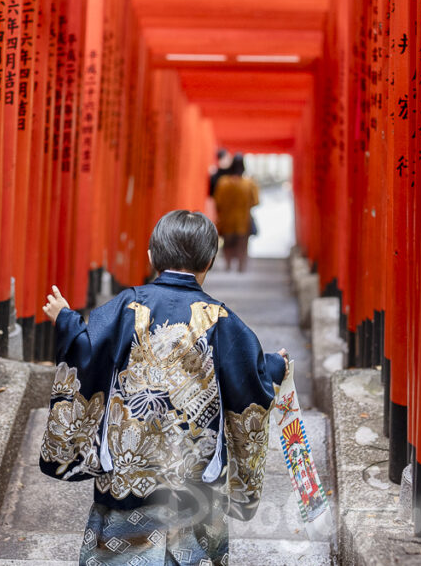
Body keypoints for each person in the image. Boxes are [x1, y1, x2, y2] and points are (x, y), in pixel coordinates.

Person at [40, 210, 288, 565]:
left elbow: (87, 353)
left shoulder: (126, 306)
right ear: (210, 261)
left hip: (128, 474)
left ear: (151, 256)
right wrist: (275, 367)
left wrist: (65, 321)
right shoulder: (220, 320)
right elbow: (251, 383)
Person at [212, 154, 259, 273]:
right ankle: (241, 266)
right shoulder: (249, 184)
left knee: (227, 244)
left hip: (226, 220)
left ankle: (228, 264)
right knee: (242, 245)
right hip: (243, 220)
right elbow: (255, 201)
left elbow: (218, 201)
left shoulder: (223, 183)